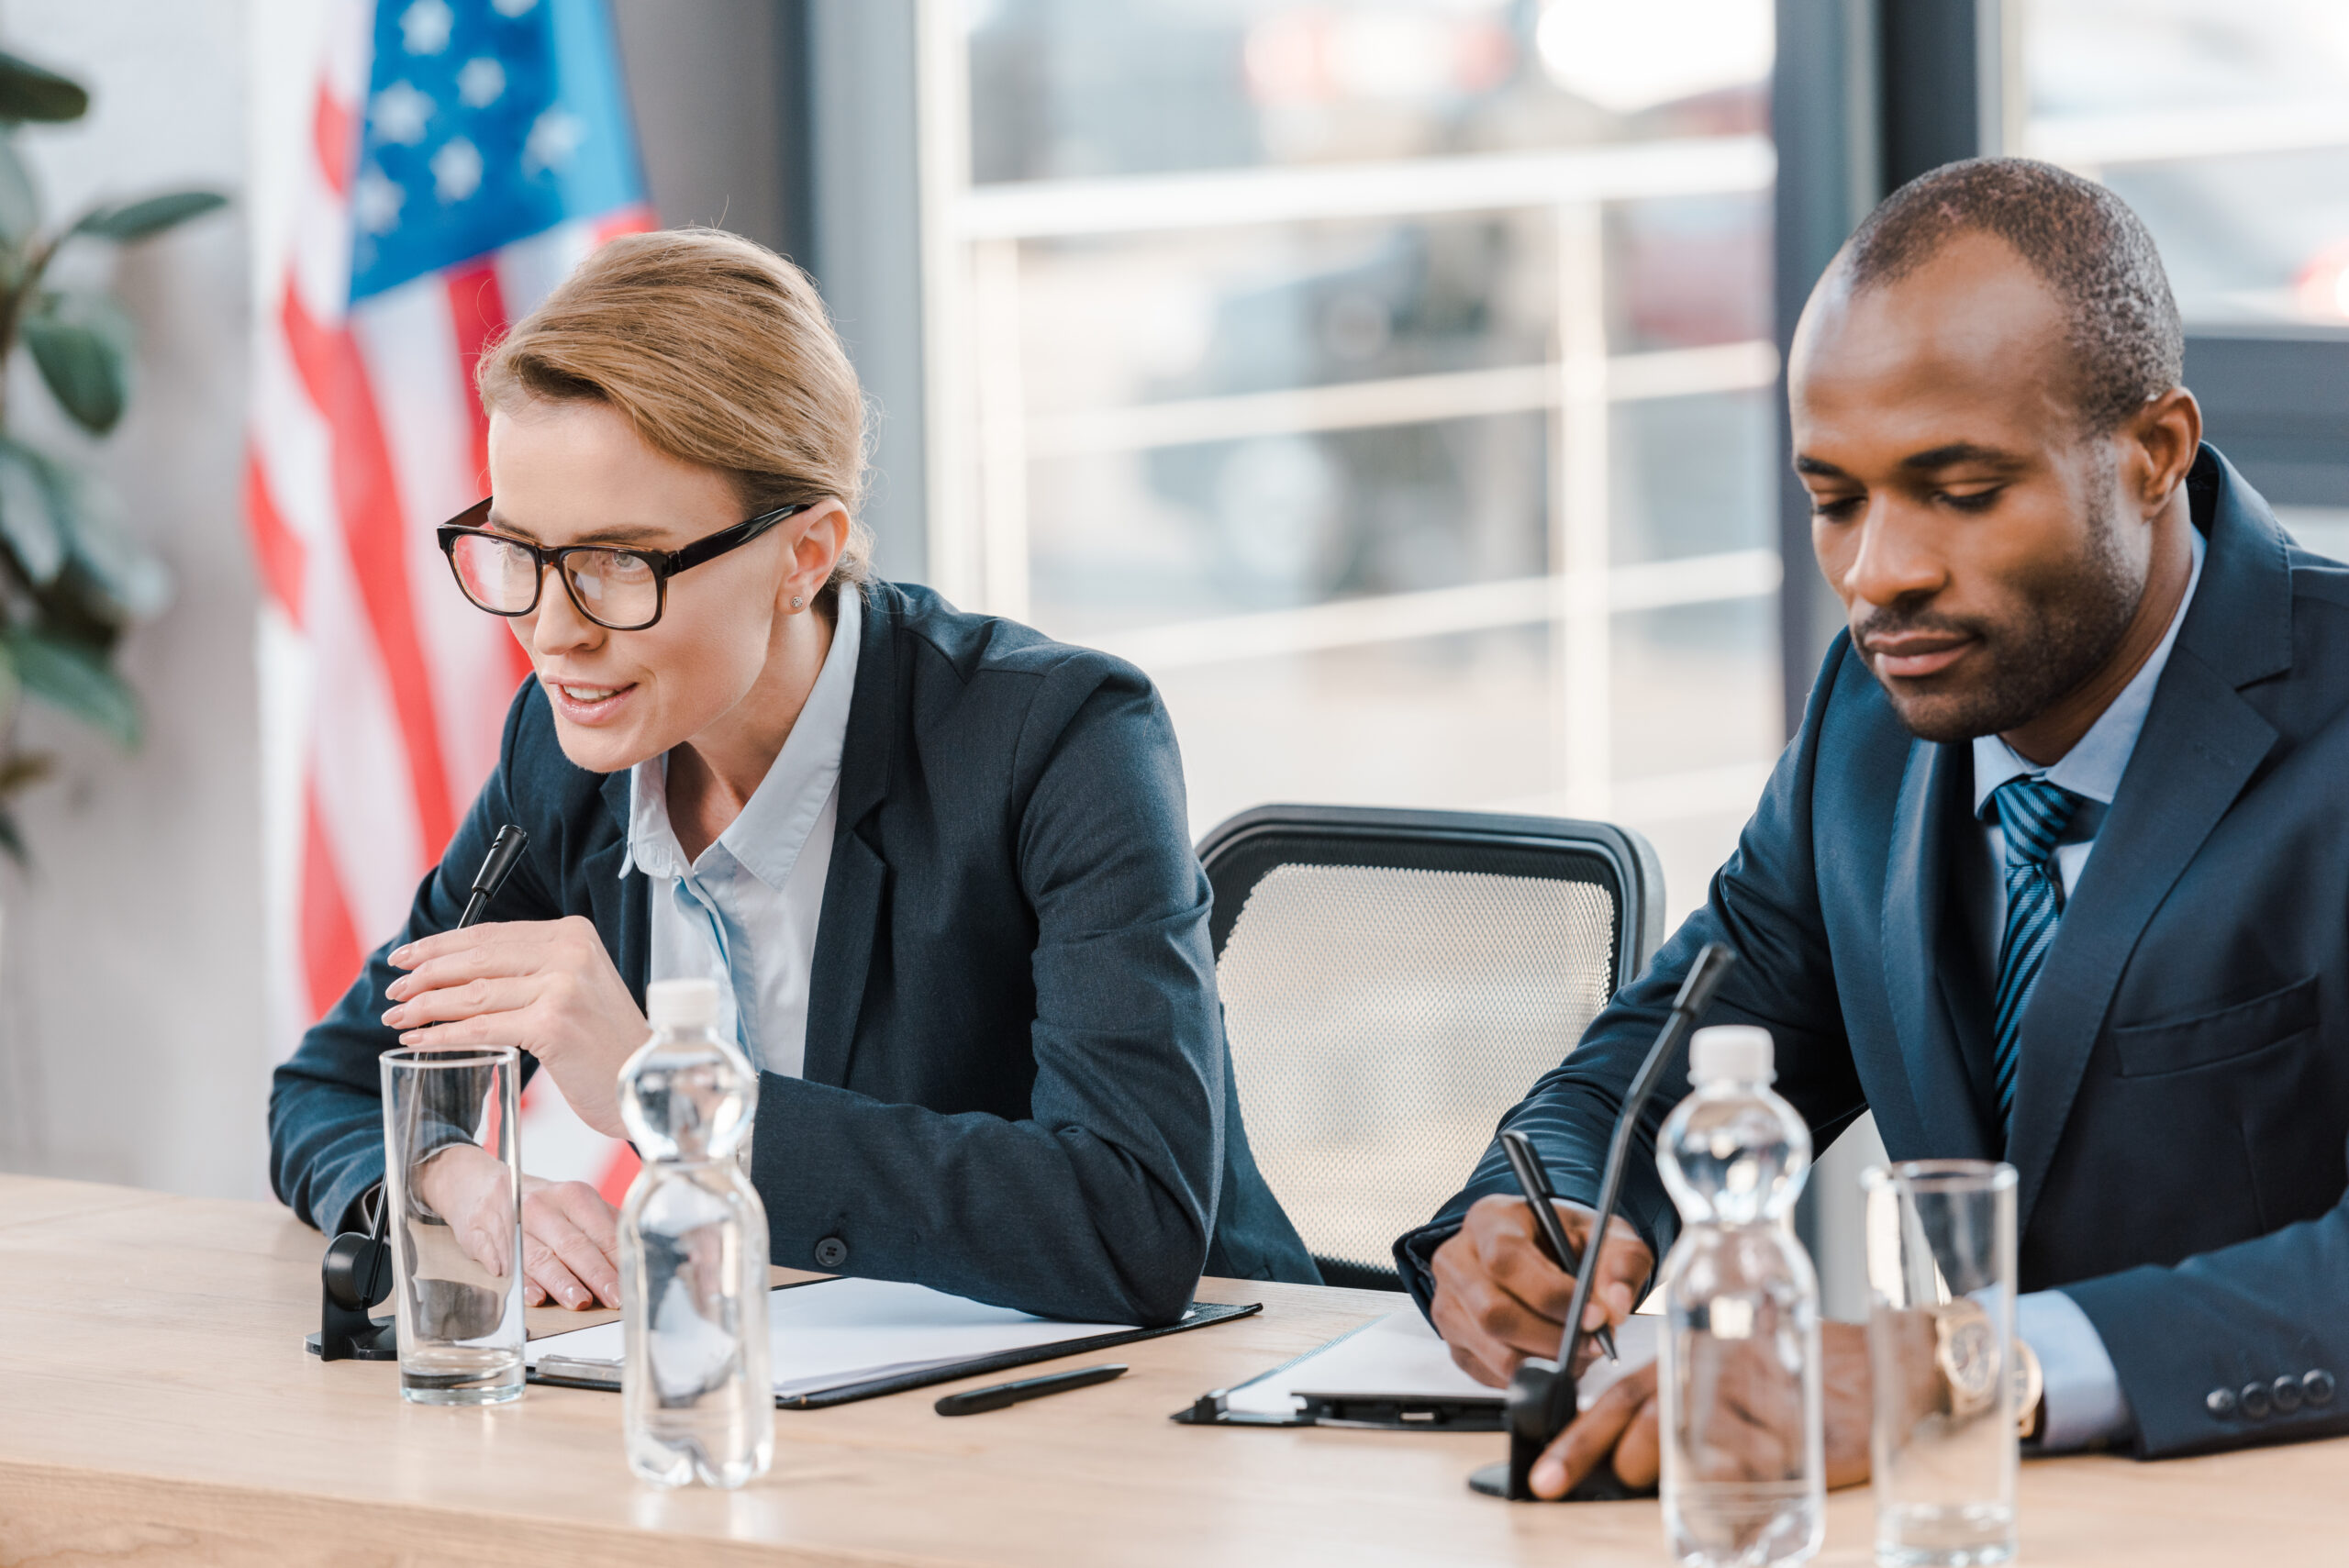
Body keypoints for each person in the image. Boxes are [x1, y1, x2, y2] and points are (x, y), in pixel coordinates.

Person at [1400, 157, 2349, 1496]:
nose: (1877, 573)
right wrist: (1541, 1209)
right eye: (1835, 499)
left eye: (1959, 491)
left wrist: (1956, 1369)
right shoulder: (1871, 719)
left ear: (2153, 456)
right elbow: (1667, 1060)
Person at [270, 228, 1316, 1327]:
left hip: (1169, 1396)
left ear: (805, 554)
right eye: (520, 551)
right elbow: (331, 1088)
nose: (549, 629)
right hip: (788, 1403)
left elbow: (1129, 1220)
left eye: (618, 562)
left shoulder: (1060, 740)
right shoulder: (571, 745)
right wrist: (458, 1180)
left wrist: (668, 1094)